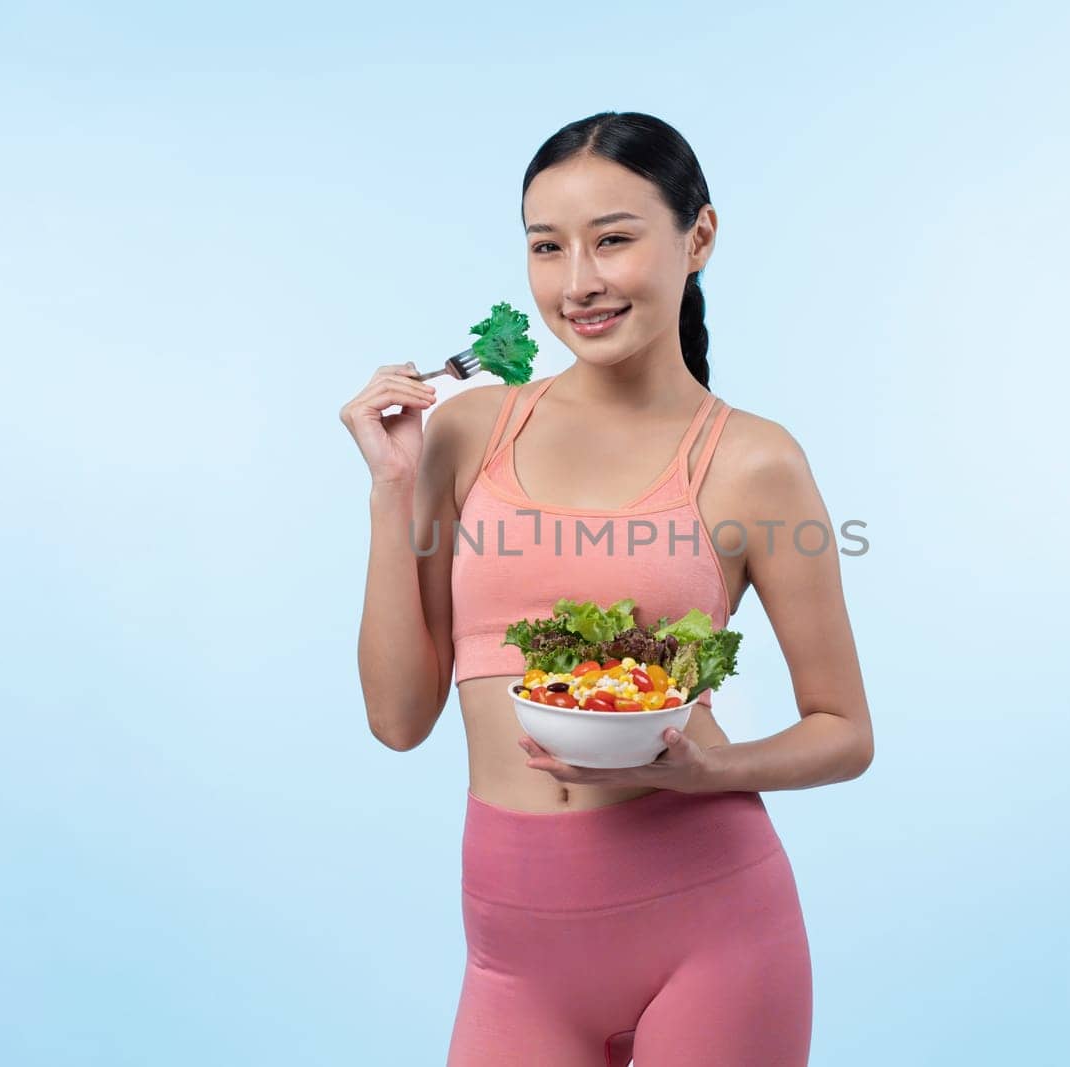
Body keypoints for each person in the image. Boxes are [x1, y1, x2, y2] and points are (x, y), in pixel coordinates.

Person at [339, 111, 873, 1067]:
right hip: (515, 958)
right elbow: (398, 717)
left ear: (697, 237)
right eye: (548, 248)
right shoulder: (469, 429)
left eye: (614, 239)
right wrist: (391, 492)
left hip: (715, 932)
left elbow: (844, 730)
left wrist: (709, 771)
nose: (577, 282)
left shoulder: (753, 462)